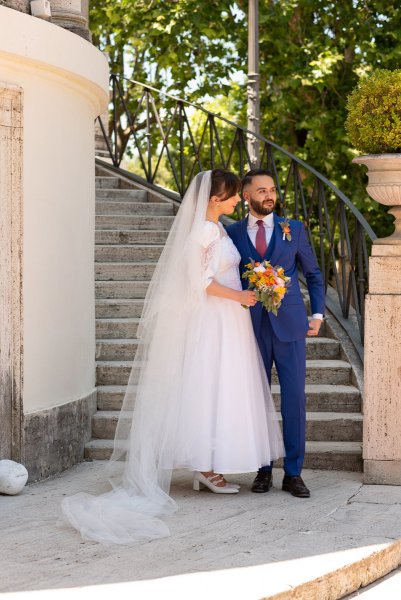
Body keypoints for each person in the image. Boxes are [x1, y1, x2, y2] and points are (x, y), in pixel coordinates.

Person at [61, 169, 284, 545]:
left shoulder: (217, 230)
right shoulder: (201, 232)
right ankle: (204, 465)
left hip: (229, 319)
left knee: (222, 387)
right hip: (215, 317)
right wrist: (242, 297)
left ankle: (209, 464)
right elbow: (200, 282)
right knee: (209, 385)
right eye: (231, 196)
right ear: (216, 199)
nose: (236, 201)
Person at [227, 169, 325, 499]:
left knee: (294, 399)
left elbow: (313, 274)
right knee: (257, 400)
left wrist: (317, 314)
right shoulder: (232, 232)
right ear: (246, 196)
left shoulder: (293, 229)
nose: (269, 195)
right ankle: (263, 468)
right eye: (261, 190)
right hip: (249, 327)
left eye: (272, 190)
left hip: (292, 325)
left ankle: (294, 473)